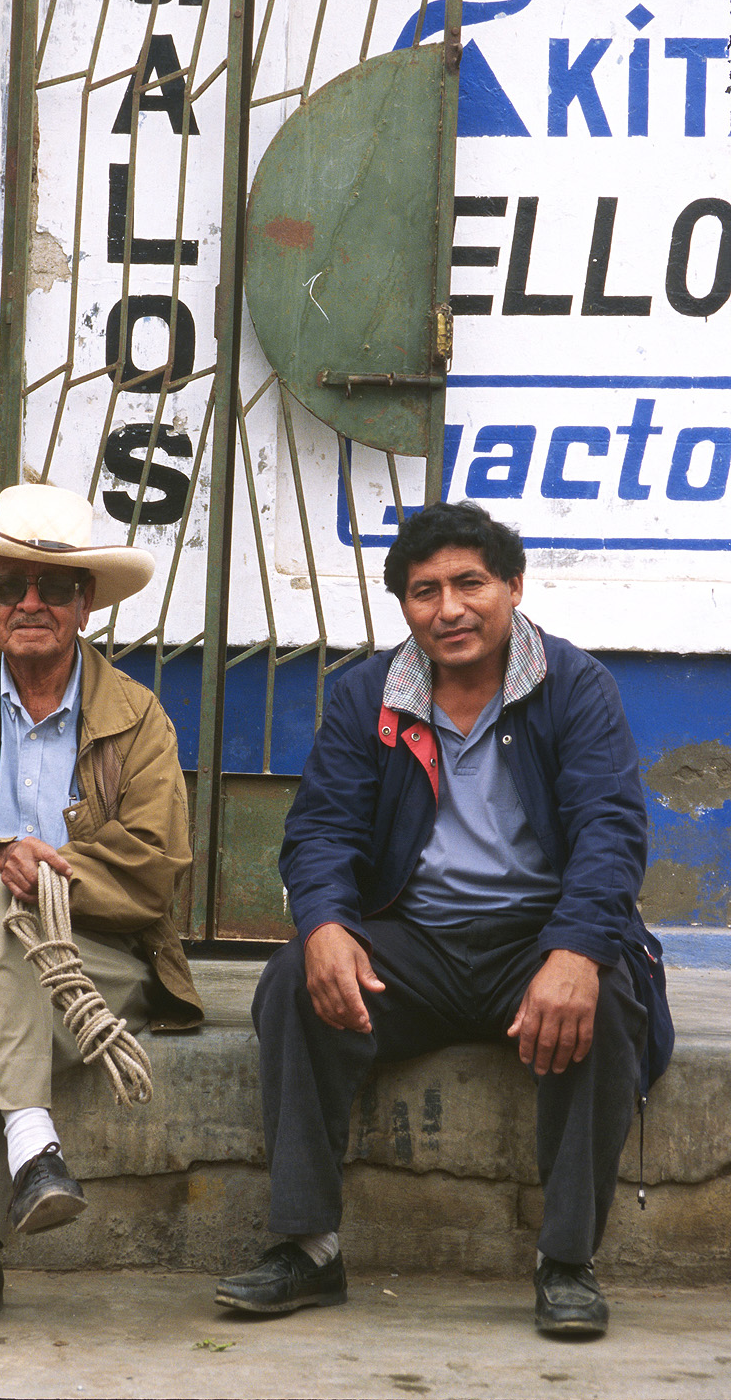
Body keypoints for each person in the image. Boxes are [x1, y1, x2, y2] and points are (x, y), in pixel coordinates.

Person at [215, 500, 672, 1337]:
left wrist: (576, 949)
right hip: (414, 944)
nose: (450, 608)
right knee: (291, 982)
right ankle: (309, 1249)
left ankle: (566, 1261)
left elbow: (612, 829)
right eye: (425, 591)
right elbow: (320, 830)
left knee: (605, 997)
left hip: (534, 939)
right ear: (405, 608)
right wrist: (322, 925)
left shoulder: (574, 686)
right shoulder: (367, 696)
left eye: (471, 582)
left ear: (514, 587)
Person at [0, 484, 202, 1336]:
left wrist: (47, 875)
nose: (31, 604)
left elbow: (154, 867)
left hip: (97, 953)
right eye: (11, 586)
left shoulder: (139, 718)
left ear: (84, 605)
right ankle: (32, 1145)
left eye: (55, 588)